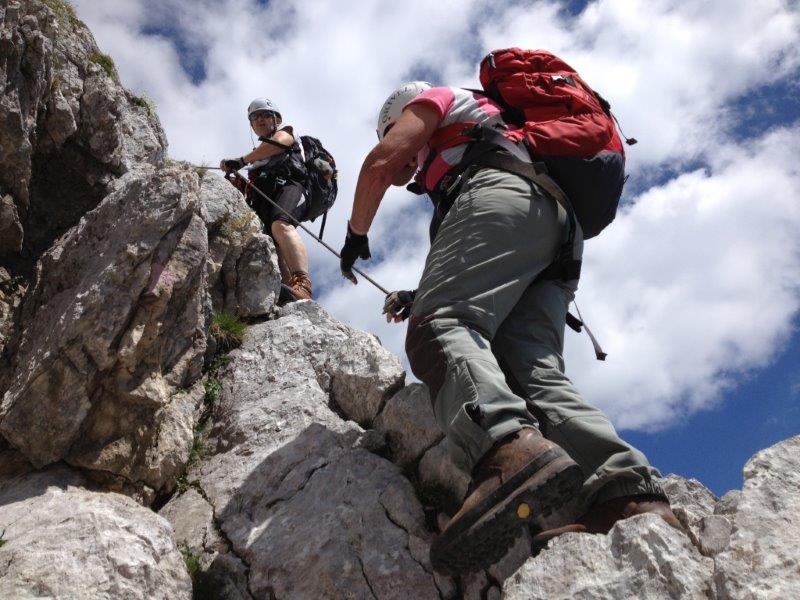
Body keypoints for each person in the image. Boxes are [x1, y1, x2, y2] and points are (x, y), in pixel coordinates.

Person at [340, 82, 680, 575]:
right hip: (553, 230)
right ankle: (628, 495)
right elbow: (489, 255)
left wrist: (355, 234)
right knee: (530, 371)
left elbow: (381, 163)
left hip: (504, 195)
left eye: (390, 128)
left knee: (439, 324)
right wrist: (419, 292)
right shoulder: (492, 128)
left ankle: (503, 450)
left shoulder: (434, 100)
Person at [221, 98, 312, 301]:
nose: (260, 119)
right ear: (251, 125)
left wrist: (240, 161)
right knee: (273, 244)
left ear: (276, 119)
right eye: (255, 117)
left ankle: (303, 284)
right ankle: (289, 294)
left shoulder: (287, 131)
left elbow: (279, 144)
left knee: (281, 225)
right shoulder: (257, 161)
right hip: (267, 199)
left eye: (264, 115)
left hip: (291, 186)